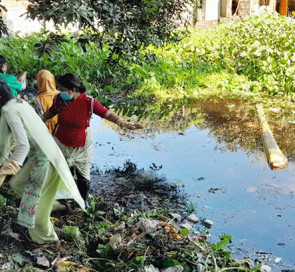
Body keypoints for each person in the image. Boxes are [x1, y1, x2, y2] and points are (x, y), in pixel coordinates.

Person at [0, 79, 85, 245]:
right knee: (18, 184)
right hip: (45, 154)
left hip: (44, 160)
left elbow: (22, 146)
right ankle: (51, 204)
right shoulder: (19, 103)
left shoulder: (8, 111)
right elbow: (5, 142)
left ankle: (50, 241)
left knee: (32, 211)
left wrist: (5, 169)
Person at [42, 73, 143, 206]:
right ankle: (65, 199)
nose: (60, 91)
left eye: (62, 88)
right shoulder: (59, 100)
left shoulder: (89, 102)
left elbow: (106, 113)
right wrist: (40, 119)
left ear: (72, 90)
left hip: (81, 142)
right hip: (61, 139)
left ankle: (83, 201)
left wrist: (122, 122)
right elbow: (51, 112)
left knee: (82, 172)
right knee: (63, 169)